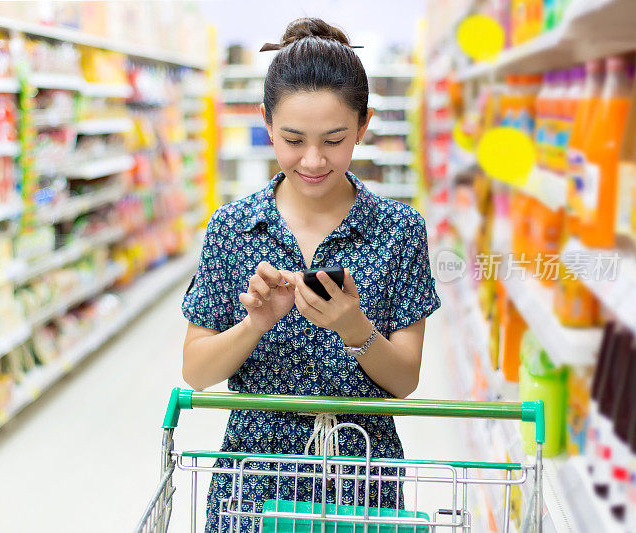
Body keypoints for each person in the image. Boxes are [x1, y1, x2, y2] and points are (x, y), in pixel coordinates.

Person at [181, 17, 441, 532]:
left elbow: (405, 380)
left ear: (363, 126)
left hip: (361, 476)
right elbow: (196, 372)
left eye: (335, 139)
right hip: (254, 482)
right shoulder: (232, 228)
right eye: (293, 139)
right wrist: (255, 323)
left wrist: (354, 328)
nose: (314, 160)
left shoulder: (400, 230)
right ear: (267, 122)